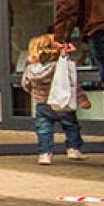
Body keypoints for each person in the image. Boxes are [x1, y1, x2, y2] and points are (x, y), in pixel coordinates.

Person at [20, 34, 90, 165]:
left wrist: (34, 91)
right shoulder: (59, 67)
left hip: (42, 105)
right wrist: (82, 99)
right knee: (71, 126)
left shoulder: (30, 69)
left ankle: (45, 154)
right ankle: (73, 149)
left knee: (44, 129)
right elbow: (71, 84)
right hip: (61, 102)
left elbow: (26, 84)